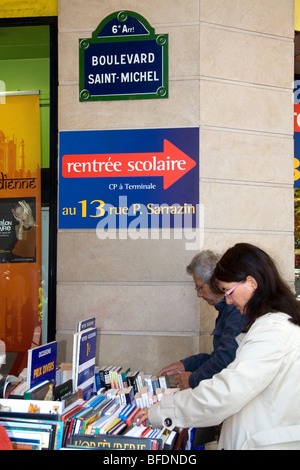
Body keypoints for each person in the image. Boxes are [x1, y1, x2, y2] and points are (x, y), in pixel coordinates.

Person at [136, 243, 300, 450]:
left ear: (251, 282)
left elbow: (226, 392)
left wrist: (162, 412)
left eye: (228, 291)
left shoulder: (273, 331)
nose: (228, 301)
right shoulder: (271, 323)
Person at [157, 250, 245, 390]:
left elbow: (226, 358)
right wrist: (186, 364)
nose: (199, 294)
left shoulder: (237, 310)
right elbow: (218, 355)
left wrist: (193, 379)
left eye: (200, 288)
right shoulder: (226, 310)